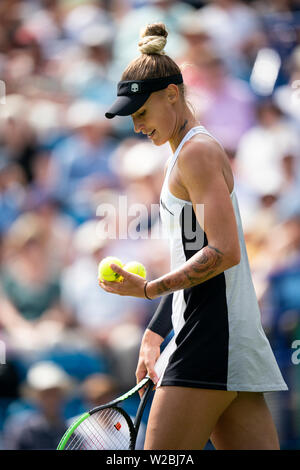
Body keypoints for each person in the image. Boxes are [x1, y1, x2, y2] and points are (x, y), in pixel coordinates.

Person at [99, 22, 288, 450]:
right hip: (223, 338)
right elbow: (199, 255)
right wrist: (155, 329)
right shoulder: (183, 154)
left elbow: (223, 252)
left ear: (173, 95)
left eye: (141, 113)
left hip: (208, 339)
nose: (136, 127)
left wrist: (148, 290)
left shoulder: (197, 152)